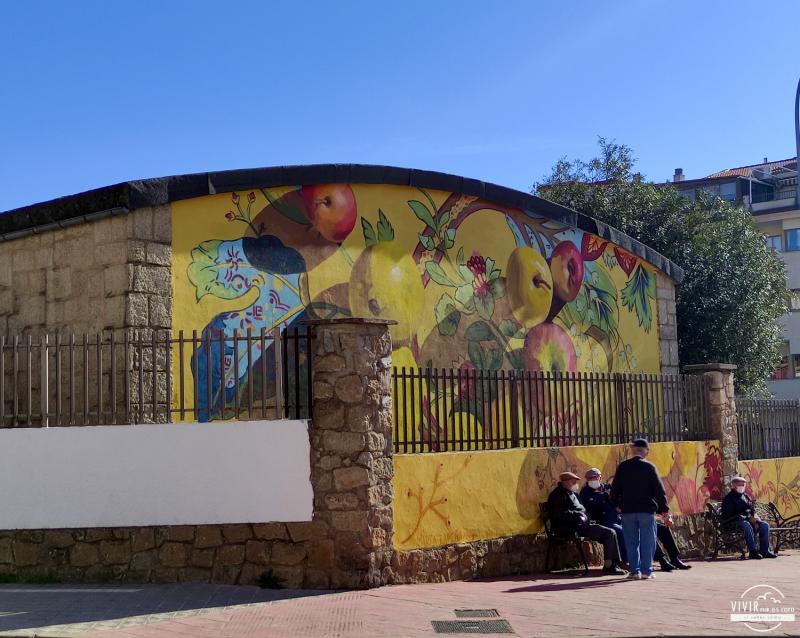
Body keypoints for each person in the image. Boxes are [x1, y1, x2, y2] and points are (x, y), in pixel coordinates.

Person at [610, 438, 671, 580]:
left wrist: (617, 505)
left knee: (631, 541)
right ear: (646, 452)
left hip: (627, 510)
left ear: (633, 450)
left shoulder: (623, 467)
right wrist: (664, 510)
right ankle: (646, 571)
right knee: (648, 541)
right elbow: (659, 490)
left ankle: (633, 571)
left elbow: (614, 490)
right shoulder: (650, 467)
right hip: (646, 510)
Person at [547, 471, 626, 575]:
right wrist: (577, 515)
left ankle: (610, 565)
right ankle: (610, 566)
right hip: (571, 528)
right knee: (610, 533)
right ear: (566, 482)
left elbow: (583, 509)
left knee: (610, 532)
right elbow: (558, 514)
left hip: (583, 525)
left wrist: (585, 517)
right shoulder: (558, 495)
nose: (576, 484)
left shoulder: (573, 493)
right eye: (574, 481)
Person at [579, 468, 628, 566]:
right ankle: (624, 561)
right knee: (621, 532)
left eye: (595, 477)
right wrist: (604, 495)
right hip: (603, 522)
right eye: (590, 478)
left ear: (600, 478)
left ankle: (643, 560)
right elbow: (591, 507)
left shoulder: (608, 487)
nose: (593, 479)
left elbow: (619, 500)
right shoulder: (585, 492)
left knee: (636, 529)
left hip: (618, 518)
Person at [721, 476, 777, 559]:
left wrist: (755, 520)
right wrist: (747, 518)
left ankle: (765, 551)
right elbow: (728, 515)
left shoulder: (745, 496)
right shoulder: (729, 498)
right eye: (739, 485)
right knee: (746, 524)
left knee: (764, 525)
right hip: (733, 523)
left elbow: (750, 509)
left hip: (746, 520)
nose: (741, 487)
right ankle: (753, 551)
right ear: (733, 486)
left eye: (743, 485)